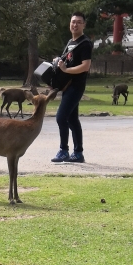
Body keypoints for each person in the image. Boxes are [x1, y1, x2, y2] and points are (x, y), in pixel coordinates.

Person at [48, 12, 93, 164]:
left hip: (76, 86)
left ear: (84, 25)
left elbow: (86, 66)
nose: (75, 24)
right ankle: (78, 153)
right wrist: (58, 60)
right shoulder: (70, 42)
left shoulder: (85, 43)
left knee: (61, 117)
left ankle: (64, 150)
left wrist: (67, 71)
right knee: (72, 119)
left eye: (79, 22)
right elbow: (66, 60)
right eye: (73, 21)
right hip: (67, 86)